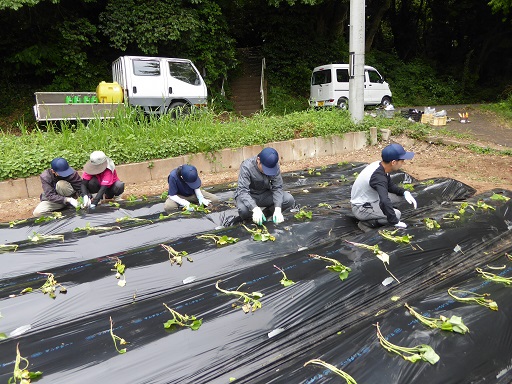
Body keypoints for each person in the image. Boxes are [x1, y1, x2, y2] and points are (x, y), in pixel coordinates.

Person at [350, 143, 418, 231]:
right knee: (396, 214)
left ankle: (380, 213)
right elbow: (384, 201)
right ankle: (365, 224)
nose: (403, 163)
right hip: (361, 208)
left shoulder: (381, 165)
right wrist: (395, 221)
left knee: (400, 197)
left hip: (372, 199)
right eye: (402, 161)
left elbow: (390, 186)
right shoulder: (378, 177)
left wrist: (404, 192)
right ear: (393, 162)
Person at [235, 147, 295, 224]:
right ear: (258, 160)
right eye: (265, 169)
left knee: (288, 199)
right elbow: (243, 191)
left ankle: (266, 214)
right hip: (250, 195)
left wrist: (277, 209)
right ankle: (250, 220)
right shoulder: (246, 167)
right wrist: (255, 209)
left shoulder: (274, 165)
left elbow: (277, 187)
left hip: (265, 194)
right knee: (243, 209)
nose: (267, 172)